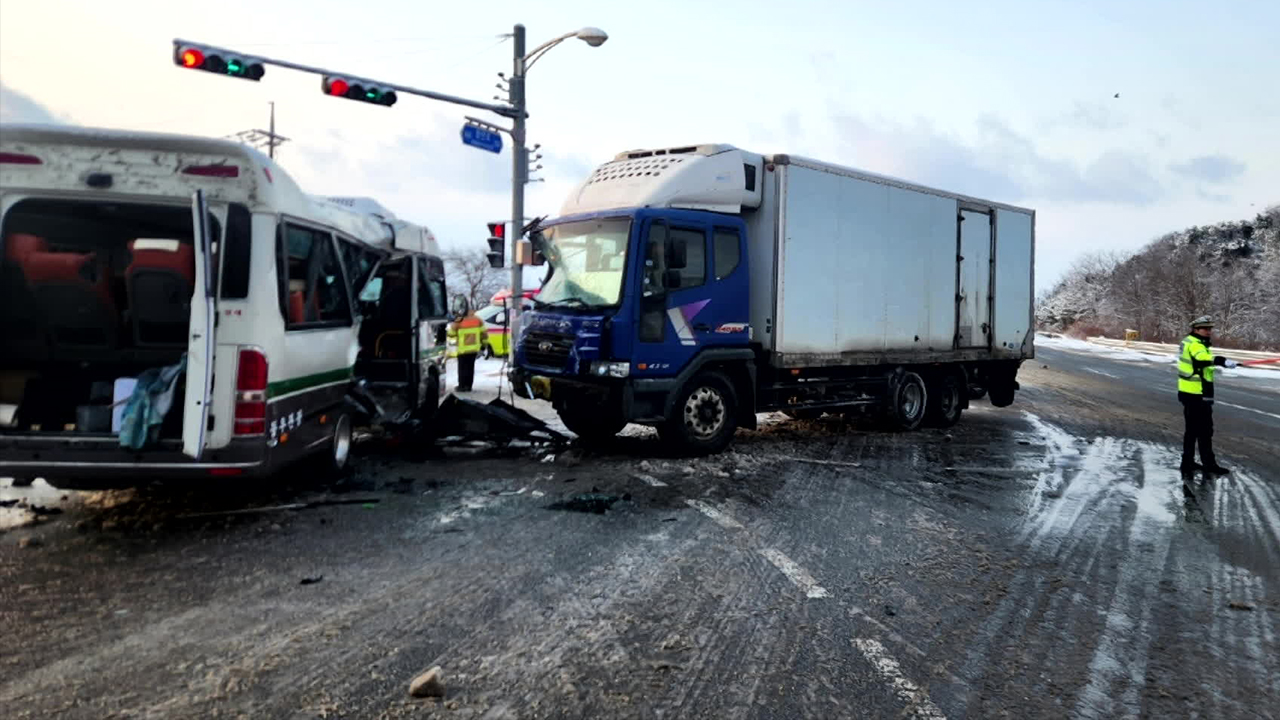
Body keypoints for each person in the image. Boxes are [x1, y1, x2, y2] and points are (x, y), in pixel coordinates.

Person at [1178, 315, 1238, 473]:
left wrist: (1220, 362)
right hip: (1197, 394)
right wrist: (1220, 360)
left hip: (1190, 392)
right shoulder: (1196, 345)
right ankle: (1208, 464)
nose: (1209, 331)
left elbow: (1202, 362)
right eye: (1205, 329)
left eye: (1210, 328)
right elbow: (1202, 359)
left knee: (1192, 430)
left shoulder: (1190, 341)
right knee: (1204, 430)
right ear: (1196, 329)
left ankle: (1188, 462)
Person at [447, 299, 484, 392]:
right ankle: (468, 386)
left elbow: (451, 333)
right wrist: (484, 345)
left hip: (463, 349)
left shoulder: (459, 320)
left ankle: (462, 386)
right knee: (470, 368)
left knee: (462, 368)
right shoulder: (477, 319)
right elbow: (484, 334)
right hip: (474, 349)